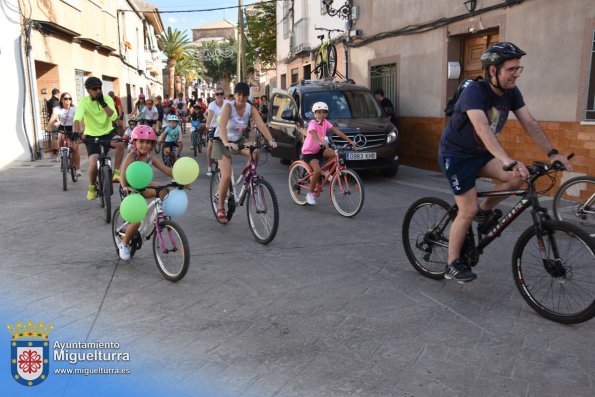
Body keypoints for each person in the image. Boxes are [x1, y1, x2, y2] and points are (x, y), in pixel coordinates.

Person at [437, 42, 573, 282]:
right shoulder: (474, 92)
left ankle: (484, 212)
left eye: (519, 69)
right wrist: (507, 159)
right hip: (456, 155)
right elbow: (482, 128)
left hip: (480, 154)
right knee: (466, 209)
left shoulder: (512, 93)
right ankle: (452, 263)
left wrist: (552, 152)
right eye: (511, 69)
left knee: (516, 177)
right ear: (493, 71)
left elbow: (529, 122)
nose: (516, 74)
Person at [212, 82, 278, 224]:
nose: (241, 97)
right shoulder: (228, 106)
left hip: (238, 140)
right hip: (221, 140)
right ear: (235, 95)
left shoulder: (250, 107)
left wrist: (271, 140)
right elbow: (222, 126)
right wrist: (225, 143)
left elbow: (260, 124)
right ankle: (220, 207)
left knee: (255, 152)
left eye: (244, 95)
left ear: (248, 96)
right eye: (239, 94)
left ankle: (248, 178)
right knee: (226, 175)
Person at [116, 125, 173, 260]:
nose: (144, 145)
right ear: (134, 142)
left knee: (163, 190)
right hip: (129, 188)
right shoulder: (132, 155)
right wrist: (125, 187)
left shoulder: (150, 158)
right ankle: (124, 244)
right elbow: (123, 173)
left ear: (152, 144)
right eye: (141, 141)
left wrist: (181, 177)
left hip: (143, 186)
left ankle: (161, 215)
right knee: (136, 222)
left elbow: (166, 169)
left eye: (148, 142)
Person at [73, 76, 125, 200]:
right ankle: (92, 187)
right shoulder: (84, 102)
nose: (97, 91)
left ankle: (116, 172)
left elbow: (114, 117)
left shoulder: (107, 99)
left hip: (108, 132)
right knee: (93, 161)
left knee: (120, 144)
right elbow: (77, 119)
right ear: (88, 90)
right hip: (92, 135)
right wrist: (75, 132)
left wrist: (103, 103)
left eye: (99, 88)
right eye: (94, 89)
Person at [301, 101, 356, 206]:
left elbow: (337, 132)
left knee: (336, 155)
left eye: (324, 112)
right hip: (309, 152)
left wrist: (350, 140)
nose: (322, 114)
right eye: (319, 112)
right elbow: (313, 133)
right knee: (317, 171)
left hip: (319, 149)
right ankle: (310, 194)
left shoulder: (326, 122)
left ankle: (325, 170)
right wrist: (320, 142)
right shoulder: (312, 123)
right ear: (315, 113)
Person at [46, 92, 81, 175]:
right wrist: (48, 127)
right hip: (63, 127)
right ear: (61, 100)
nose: (68, 100)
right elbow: (52, 119)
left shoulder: (74, 109)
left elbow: (78, 120)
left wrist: (79, 129)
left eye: (69, 99)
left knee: (75, 149)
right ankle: (61, 153)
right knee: (60, 137)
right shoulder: (58, 109)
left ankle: (78, 169)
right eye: (65, 99)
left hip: (72, 127)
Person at [205, 88, 226, 176]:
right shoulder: (212, 104)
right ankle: (209, 166)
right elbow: (211, 113)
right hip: (213, 127)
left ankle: (224, 165)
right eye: (217, 94)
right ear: (215, 96)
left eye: (221, 94)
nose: (219, 96)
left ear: (223, 95)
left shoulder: (227, 104)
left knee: (226, 146)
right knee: (210, 146)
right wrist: (208, 124)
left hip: (225, 127)